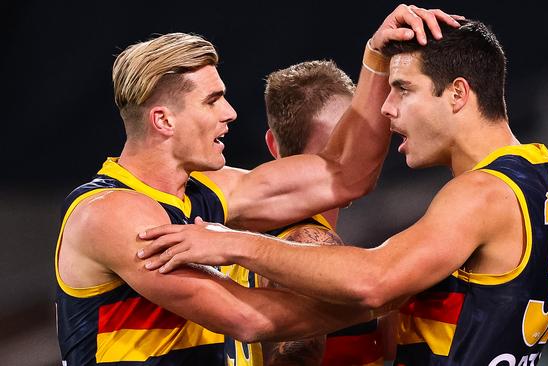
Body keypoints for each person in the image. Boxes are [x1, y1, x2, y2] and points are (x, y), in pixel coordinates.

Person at [140, 19, 548, 365]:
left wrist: (231, 244)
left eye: (403, 89)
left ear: (457, 93)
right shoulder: (536, 169)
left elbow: (375, 280)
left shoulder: (481, 192)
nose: (387, 108)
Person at [55, 5, 461, 365]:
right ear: (164, 121)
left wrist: (376, 56)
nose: (230, 113)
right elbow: (246, 317)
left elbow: (345, 173)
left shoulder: (208, 191)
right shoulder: (110, 213)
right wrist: (385, 295)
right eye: (212, 101)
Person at [223, 60, 396, 366]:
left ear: (273, 145)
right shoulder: (308, 240)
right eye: (342, 144)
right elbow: (297, 353)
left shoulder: (242, 235)